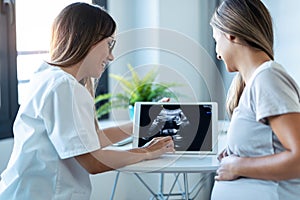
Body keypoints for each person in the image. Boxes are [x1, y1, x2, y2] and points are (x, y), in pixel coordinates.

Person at [0, 2, 174, 200]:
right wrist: (147, 152)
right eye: (109, 44)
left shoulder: (50, 77)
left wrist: (142, 124)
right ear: (89, 39)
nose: (111, 56)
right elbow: (93, 161)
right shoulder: (65, 87)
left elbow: (89, 139)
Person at [209, 0, 300, 199]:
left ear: (231, 34)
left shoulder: (268, 78)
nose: (217, 53)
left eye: (217, 41)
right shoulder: (257, 82)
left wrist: (237, 166)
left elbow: (298, 159)